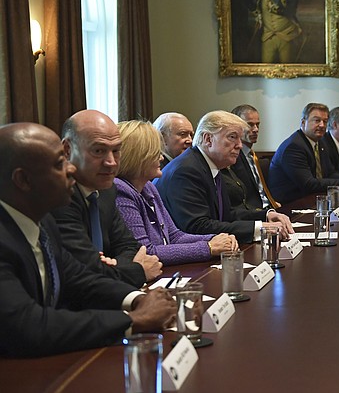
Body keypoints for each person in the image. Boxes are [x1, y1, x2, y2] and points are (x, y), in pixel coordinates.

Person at [0, 123, 175, 357]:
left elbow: (78, 279)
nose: (71, 169)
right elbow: (29, 326)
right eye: (59, 164)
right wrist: (133, 319)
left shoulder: (43, 223)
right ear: (23, 180)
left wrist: (137, 300)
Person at [51, 110, 162, 287]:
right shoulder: (58, 197)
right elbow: (85, 272)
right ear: (67, 150)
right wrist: (136, 270)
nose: (111, 162)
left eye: (116, 151)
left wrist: (115, 266)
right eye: (98, 151)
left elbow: (130, 246)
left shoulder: (107, 190)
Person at [157, 110, 293, 243]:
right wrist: (259, 228)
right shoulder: (186, 170)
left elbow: (226, 214)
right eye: (232, 137)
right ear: (208, 139)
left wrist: (265, 216)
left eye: (240, 138)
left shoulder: (210, 164)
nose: (239, 145)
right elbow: (197, 226)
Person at [114, 121, 238, 266]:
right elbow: (146, 253)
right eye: (155, 152)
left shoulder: (148, 187)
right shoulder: (121, 191)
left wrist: (215, 238)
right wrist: (208, 247)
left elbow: (174, 236)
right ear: (138, 156)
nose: (161, 158)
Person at [269, 103, 339, 204]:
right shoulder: (294, 147)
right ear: (303, 122)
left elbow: (329, 173)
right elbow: (308, 183)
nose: (322, 125)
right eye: (317, 120)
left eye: (325, 121)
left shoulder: (320, 142)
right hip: (291, 203)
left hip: (313, 199)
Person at [223, 104, 280, 216]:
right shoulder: (232, 157)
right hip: (251, 215)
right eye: (249, 125)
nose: (255, 129)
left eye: (257, 124)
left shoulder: (251, 155)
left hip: (269, 208)